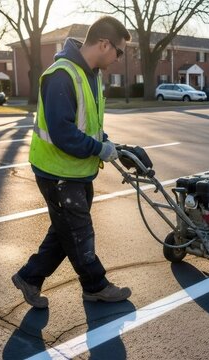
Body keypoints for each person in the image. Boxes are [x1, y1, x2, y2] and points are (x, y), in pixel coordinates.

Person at [12, 16, 132, 308]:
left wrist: (104, 140)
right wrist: (98, 149)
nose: (119, 58)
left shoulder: (91, 73)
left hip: (77, 171)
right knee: (79, 232)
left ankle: (30, 277)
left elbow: (87, 121)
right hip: (57, 173)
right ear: (104, 44)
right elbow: (63, 132)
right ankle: (96, 285)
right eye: (119, 51)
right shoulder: (61, 75)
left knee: (64, 231)